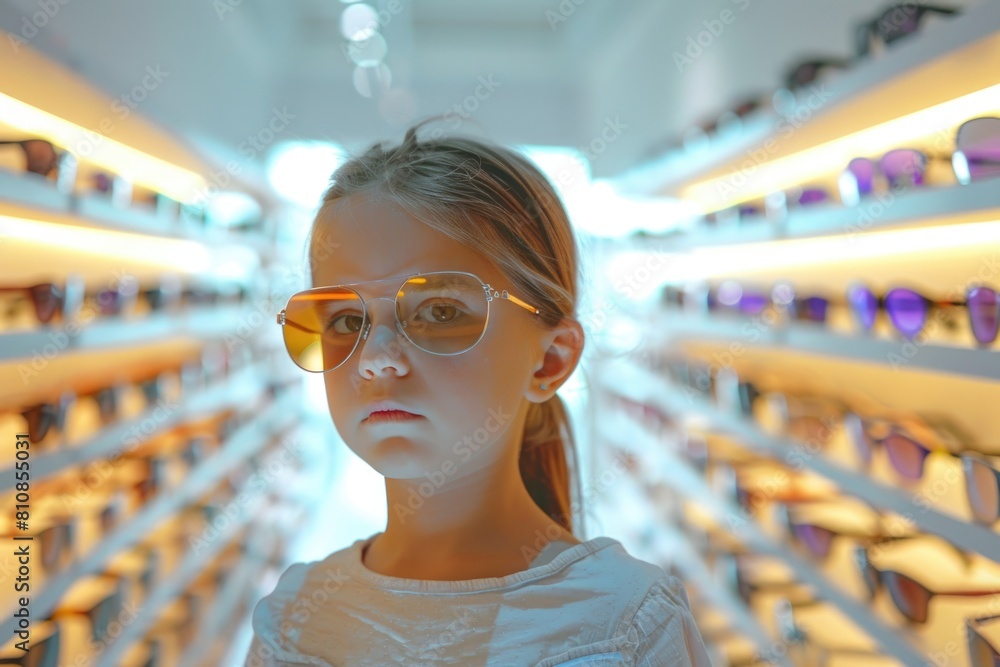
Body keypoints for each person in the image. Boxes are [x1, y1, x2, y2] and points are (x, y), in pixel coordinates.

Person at [243, 118, 712, 666]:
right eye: (345, 320)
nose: (376, 361)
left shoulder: (626, 625)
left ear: (551, 359)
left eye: (441, 311)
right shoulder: (294, 620)